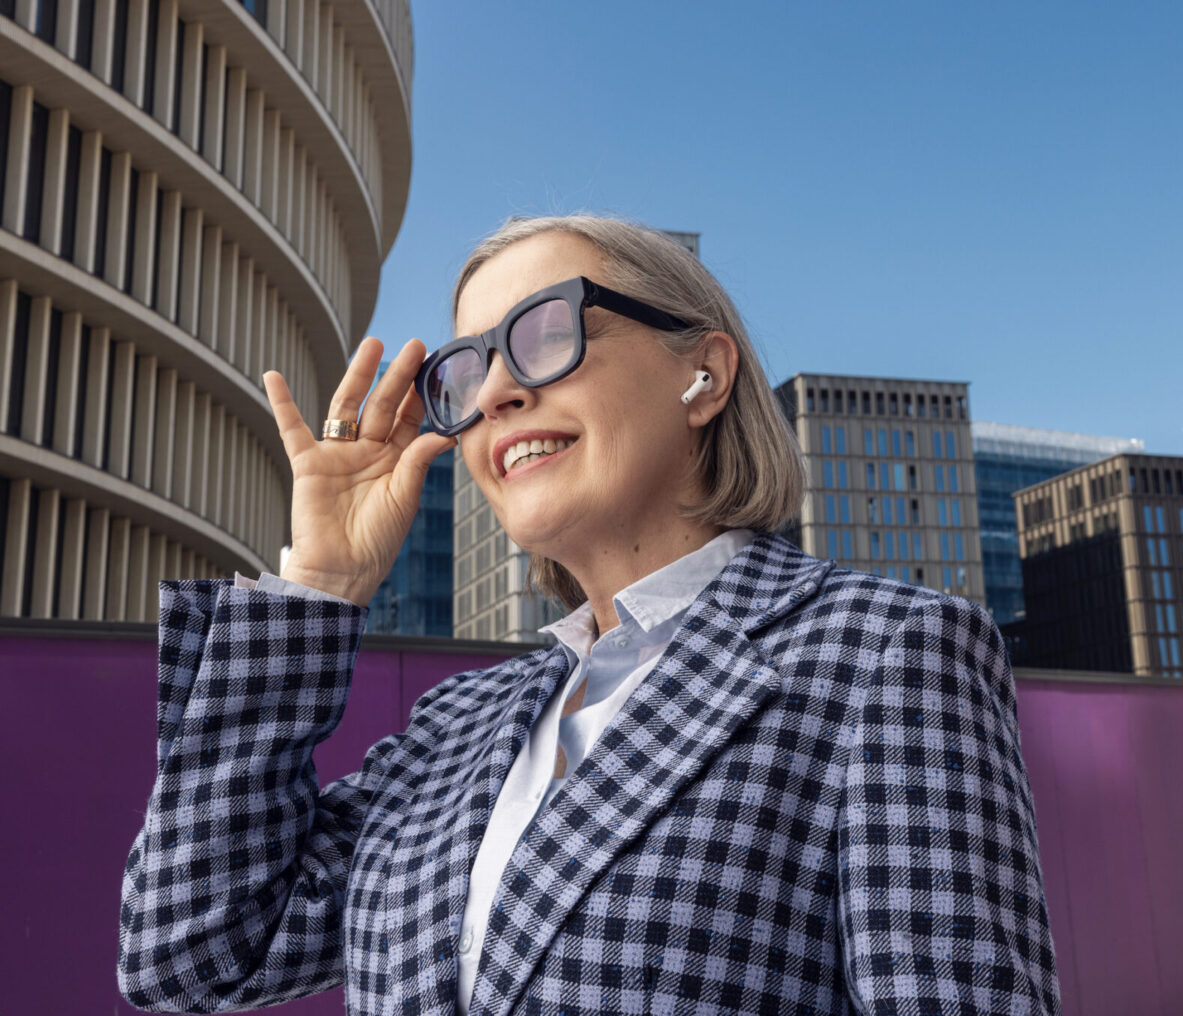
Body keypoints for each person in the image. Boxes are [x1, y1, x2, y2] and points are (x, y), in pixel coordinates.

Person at [118, 215, 1061, 1015]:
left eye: (544, 333)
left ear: (706, 374)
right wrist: (320, 586)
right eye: (468, 368)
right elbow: (192, 955)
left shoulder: (885, 658)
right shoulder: (458, 726)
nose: (492, 393)